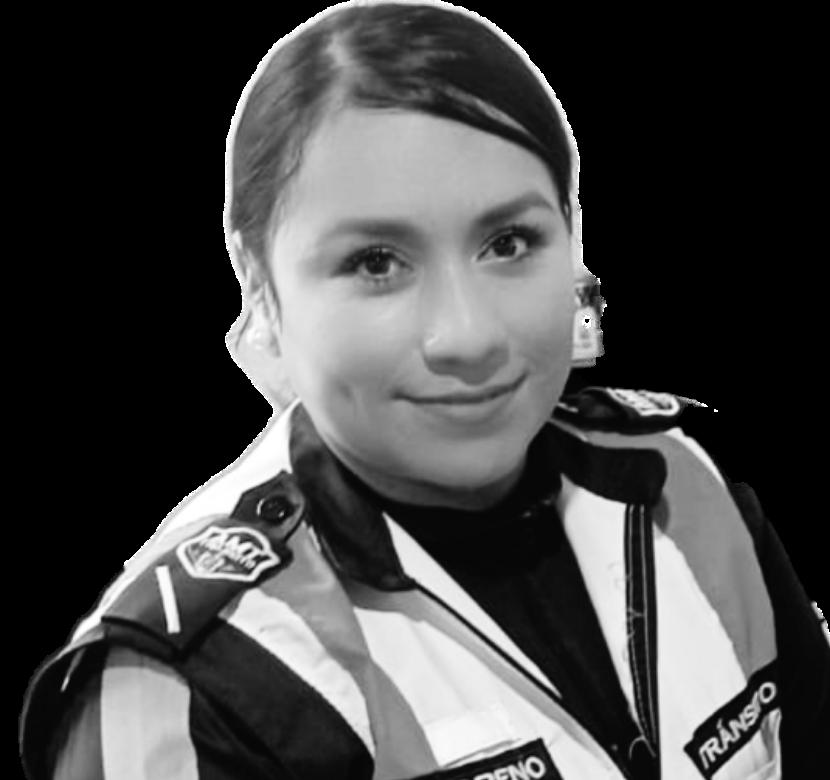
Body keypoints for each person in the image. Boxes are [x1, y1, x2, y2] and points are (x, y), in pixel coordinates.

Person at [18, 2, 829, 778]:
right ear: (258, 282)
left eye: (510, 242)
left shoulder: (691, 485)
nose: (468, 336)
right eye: (376, 262)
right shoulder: (199, 679)